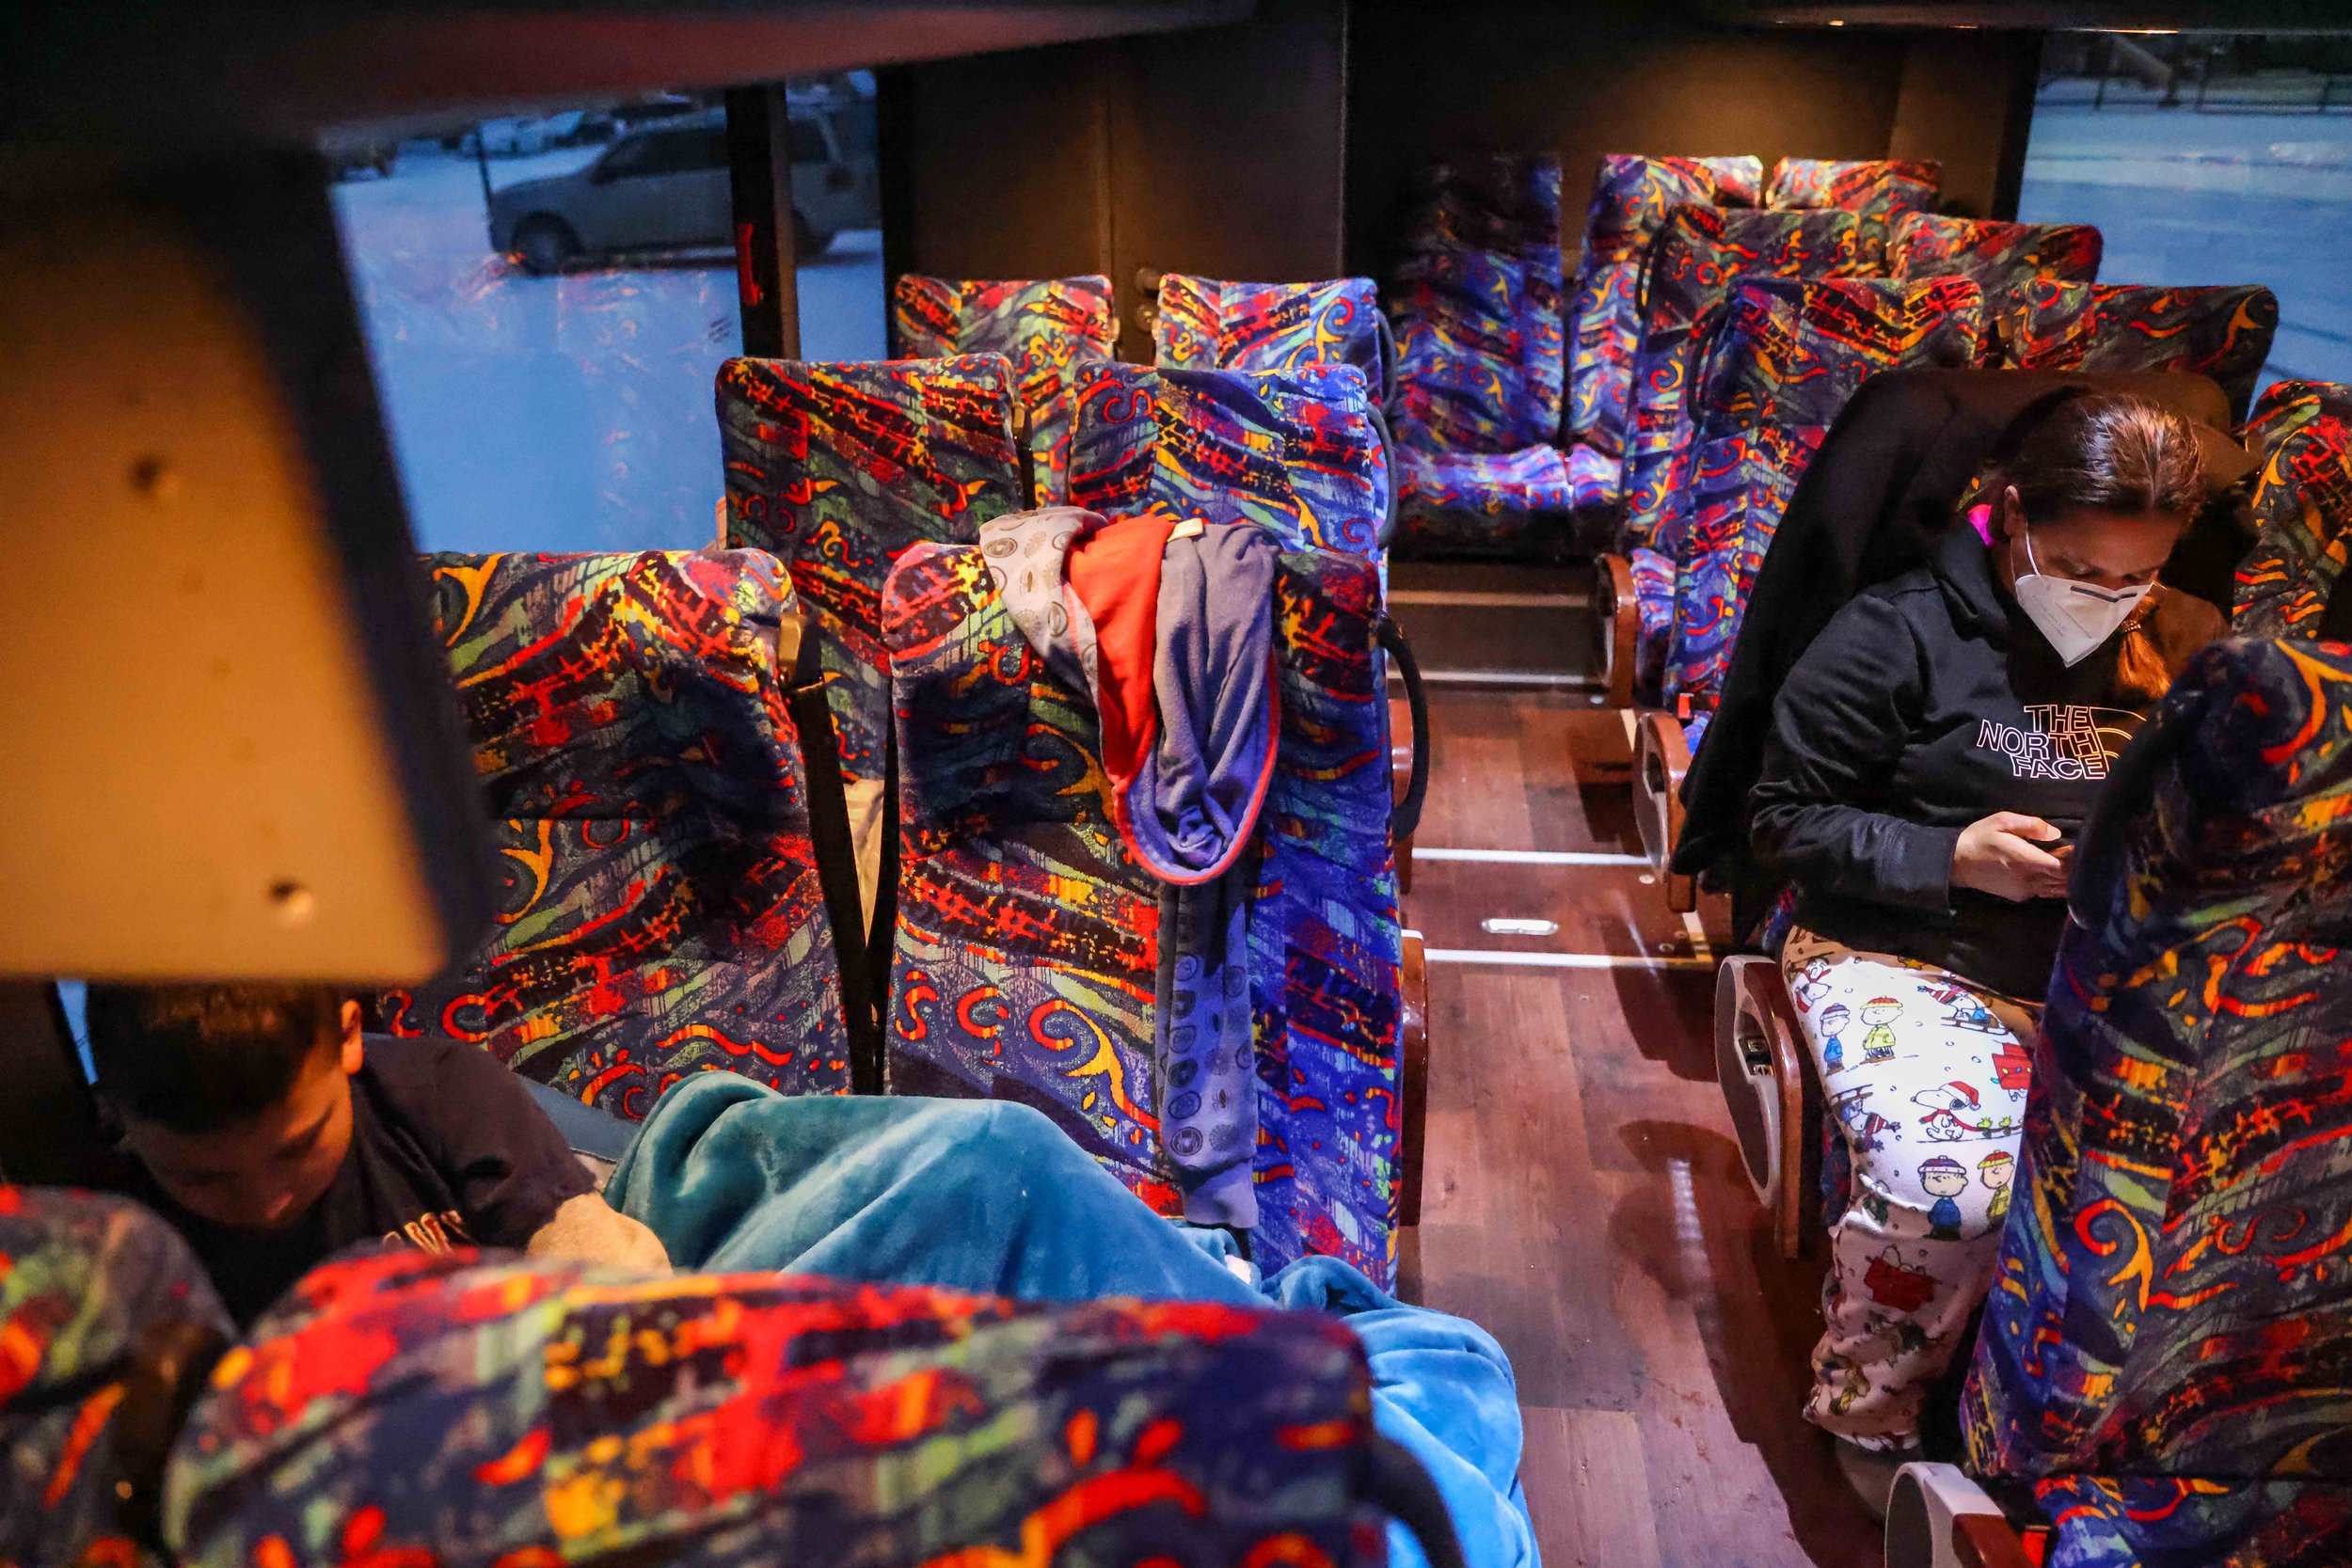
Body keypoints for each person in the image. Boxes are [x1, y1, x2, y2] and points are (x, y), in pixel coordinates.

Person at [1747, 392, 2225, 1507]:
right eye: (2076, 567)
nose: (2104, 601)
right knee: (1950, 1185)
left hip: (2110, 960)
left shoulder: (2192, 637)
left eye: (2133, 578)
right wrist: (1950, 854)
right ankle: (1869, 1412)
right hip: (1908, 950)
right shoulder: (1894, 629)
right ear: (2009, 519)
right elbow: (1783, 818)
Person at [83, 983, 668, 1326]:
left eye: (299, 1148)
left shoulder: (446, 1093)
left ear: (348, 1038)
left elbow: (610, 1282)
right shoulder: (115, 1234)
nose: (267, 1204)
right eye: (202, 1178)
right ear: (112, 1114)